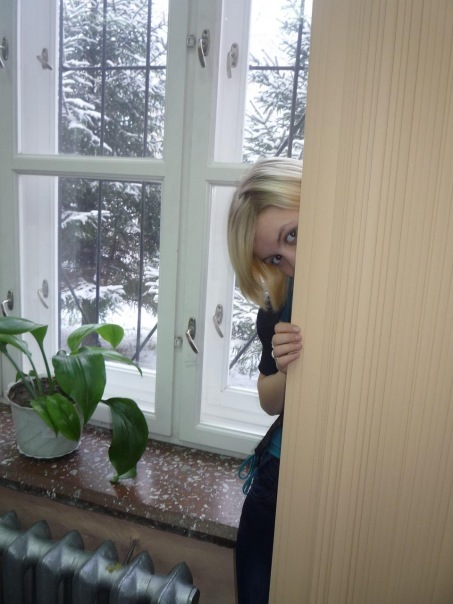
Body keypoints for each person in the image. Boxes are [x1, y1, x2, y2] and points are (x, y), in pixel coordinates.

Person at [227, 157, 303, 604]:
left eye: (293, 235)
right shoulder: (279, 299)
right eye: (275, 257)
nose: (291, 262)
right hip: (276, 481)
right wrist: (287, 364)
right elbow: (269, 400)